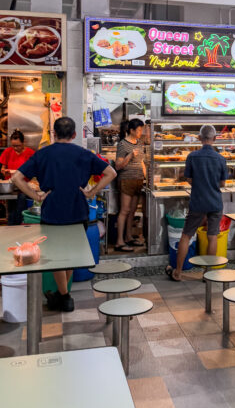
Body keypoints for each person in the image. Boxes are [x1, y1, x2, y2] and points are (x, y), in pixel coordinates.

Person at [11, 116, 116, 312]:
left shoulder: (43, 154)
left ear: (54, 133)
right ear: (74, 134)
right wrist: (92, 192)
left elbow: (16, 177)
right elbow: (111, 173)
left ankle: (65, 296)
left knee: (58, 256)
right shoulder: (84, 154)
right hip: (79, 209)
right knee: (70, 255)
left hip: (53, 210)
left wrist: (36, 196)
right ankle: (62, 294)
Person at [167, 124, 228, 282]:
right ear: (214, 139)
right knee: (212, 236)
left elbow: (188, 179)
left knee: (186, 235)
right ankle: (208, 274)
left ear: (200, 138)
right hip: (215, 201)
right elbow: (222, 183)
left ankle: (178, 272)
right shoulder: (221, 159)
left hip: (197, 201)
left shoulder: (192, 156)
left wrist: (199, 183)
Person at [114, 118, 146, 252]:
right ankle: (119, 241)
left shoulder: (139, 143)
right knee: (124, 211)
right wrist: (130, 156)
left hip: (138, 180)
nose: (140, 132)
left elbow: (142, 162)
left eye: (141, 130)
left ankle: (128, 237)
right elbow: (118, 165)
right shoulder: (122, 144)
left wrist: (146, 177)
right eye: (138, 130)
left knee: (132, 211)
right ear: (131, 130)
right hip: (126, 180)